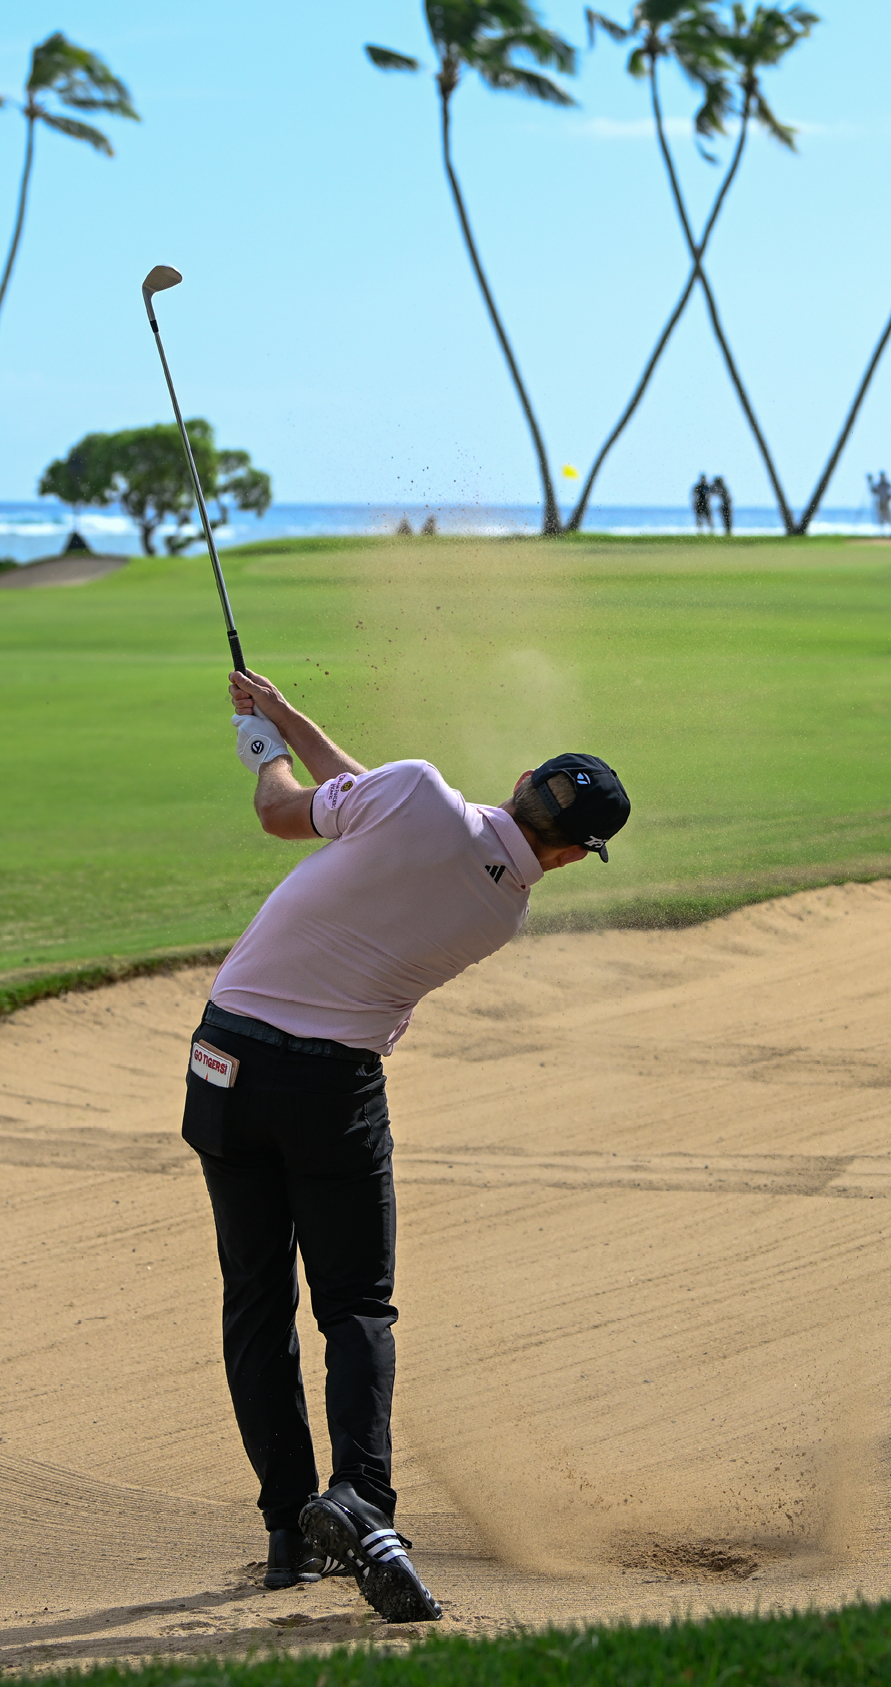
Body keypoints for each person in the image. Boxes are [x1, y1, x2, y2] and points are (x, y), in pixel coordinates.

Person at [201, 671, 630, 1624]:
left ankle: (286, 1535)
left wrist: (260, 747)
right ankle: (357, 1497)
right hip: (329, 1088)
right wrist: (291, 719)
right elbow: (391, 819)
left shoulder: (417, 792)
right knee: (353, 1302)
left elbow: (292, 815)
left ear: (521, 776)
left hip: (223, 1055)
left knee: (256, 1298)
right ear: (569, 857)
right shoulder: (499, 914)